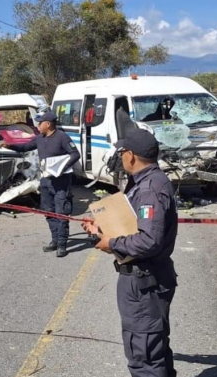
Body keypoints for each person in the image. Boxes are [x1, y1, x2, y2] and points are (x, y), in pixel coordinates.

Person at [82, 128, 178, 377]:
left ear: (131, 155)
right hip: (144, 279)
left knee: (144, 357)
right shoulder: (146, 182)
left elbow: (149, 240)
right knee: (153, 349)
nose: (121, 156)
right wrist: (101, 231)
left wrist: (112, 244)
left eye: (122, 151)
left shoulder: (149, 190)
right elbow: (133, 227)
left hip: (145, 282)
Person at [0, 111, 80, 257]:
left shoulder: (62, 137)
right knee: (48, 211)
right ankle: (55, 240)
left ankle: (62, 244)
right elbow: (25, 147)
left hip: (61, 181)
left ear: (48, 124)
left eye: (40, 123)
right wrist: (9, 146)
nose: (37, 125)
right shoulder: (39, 138)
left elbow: (75, 154)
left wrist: (62, 168)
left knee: (61, 213)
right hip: (45, 180)